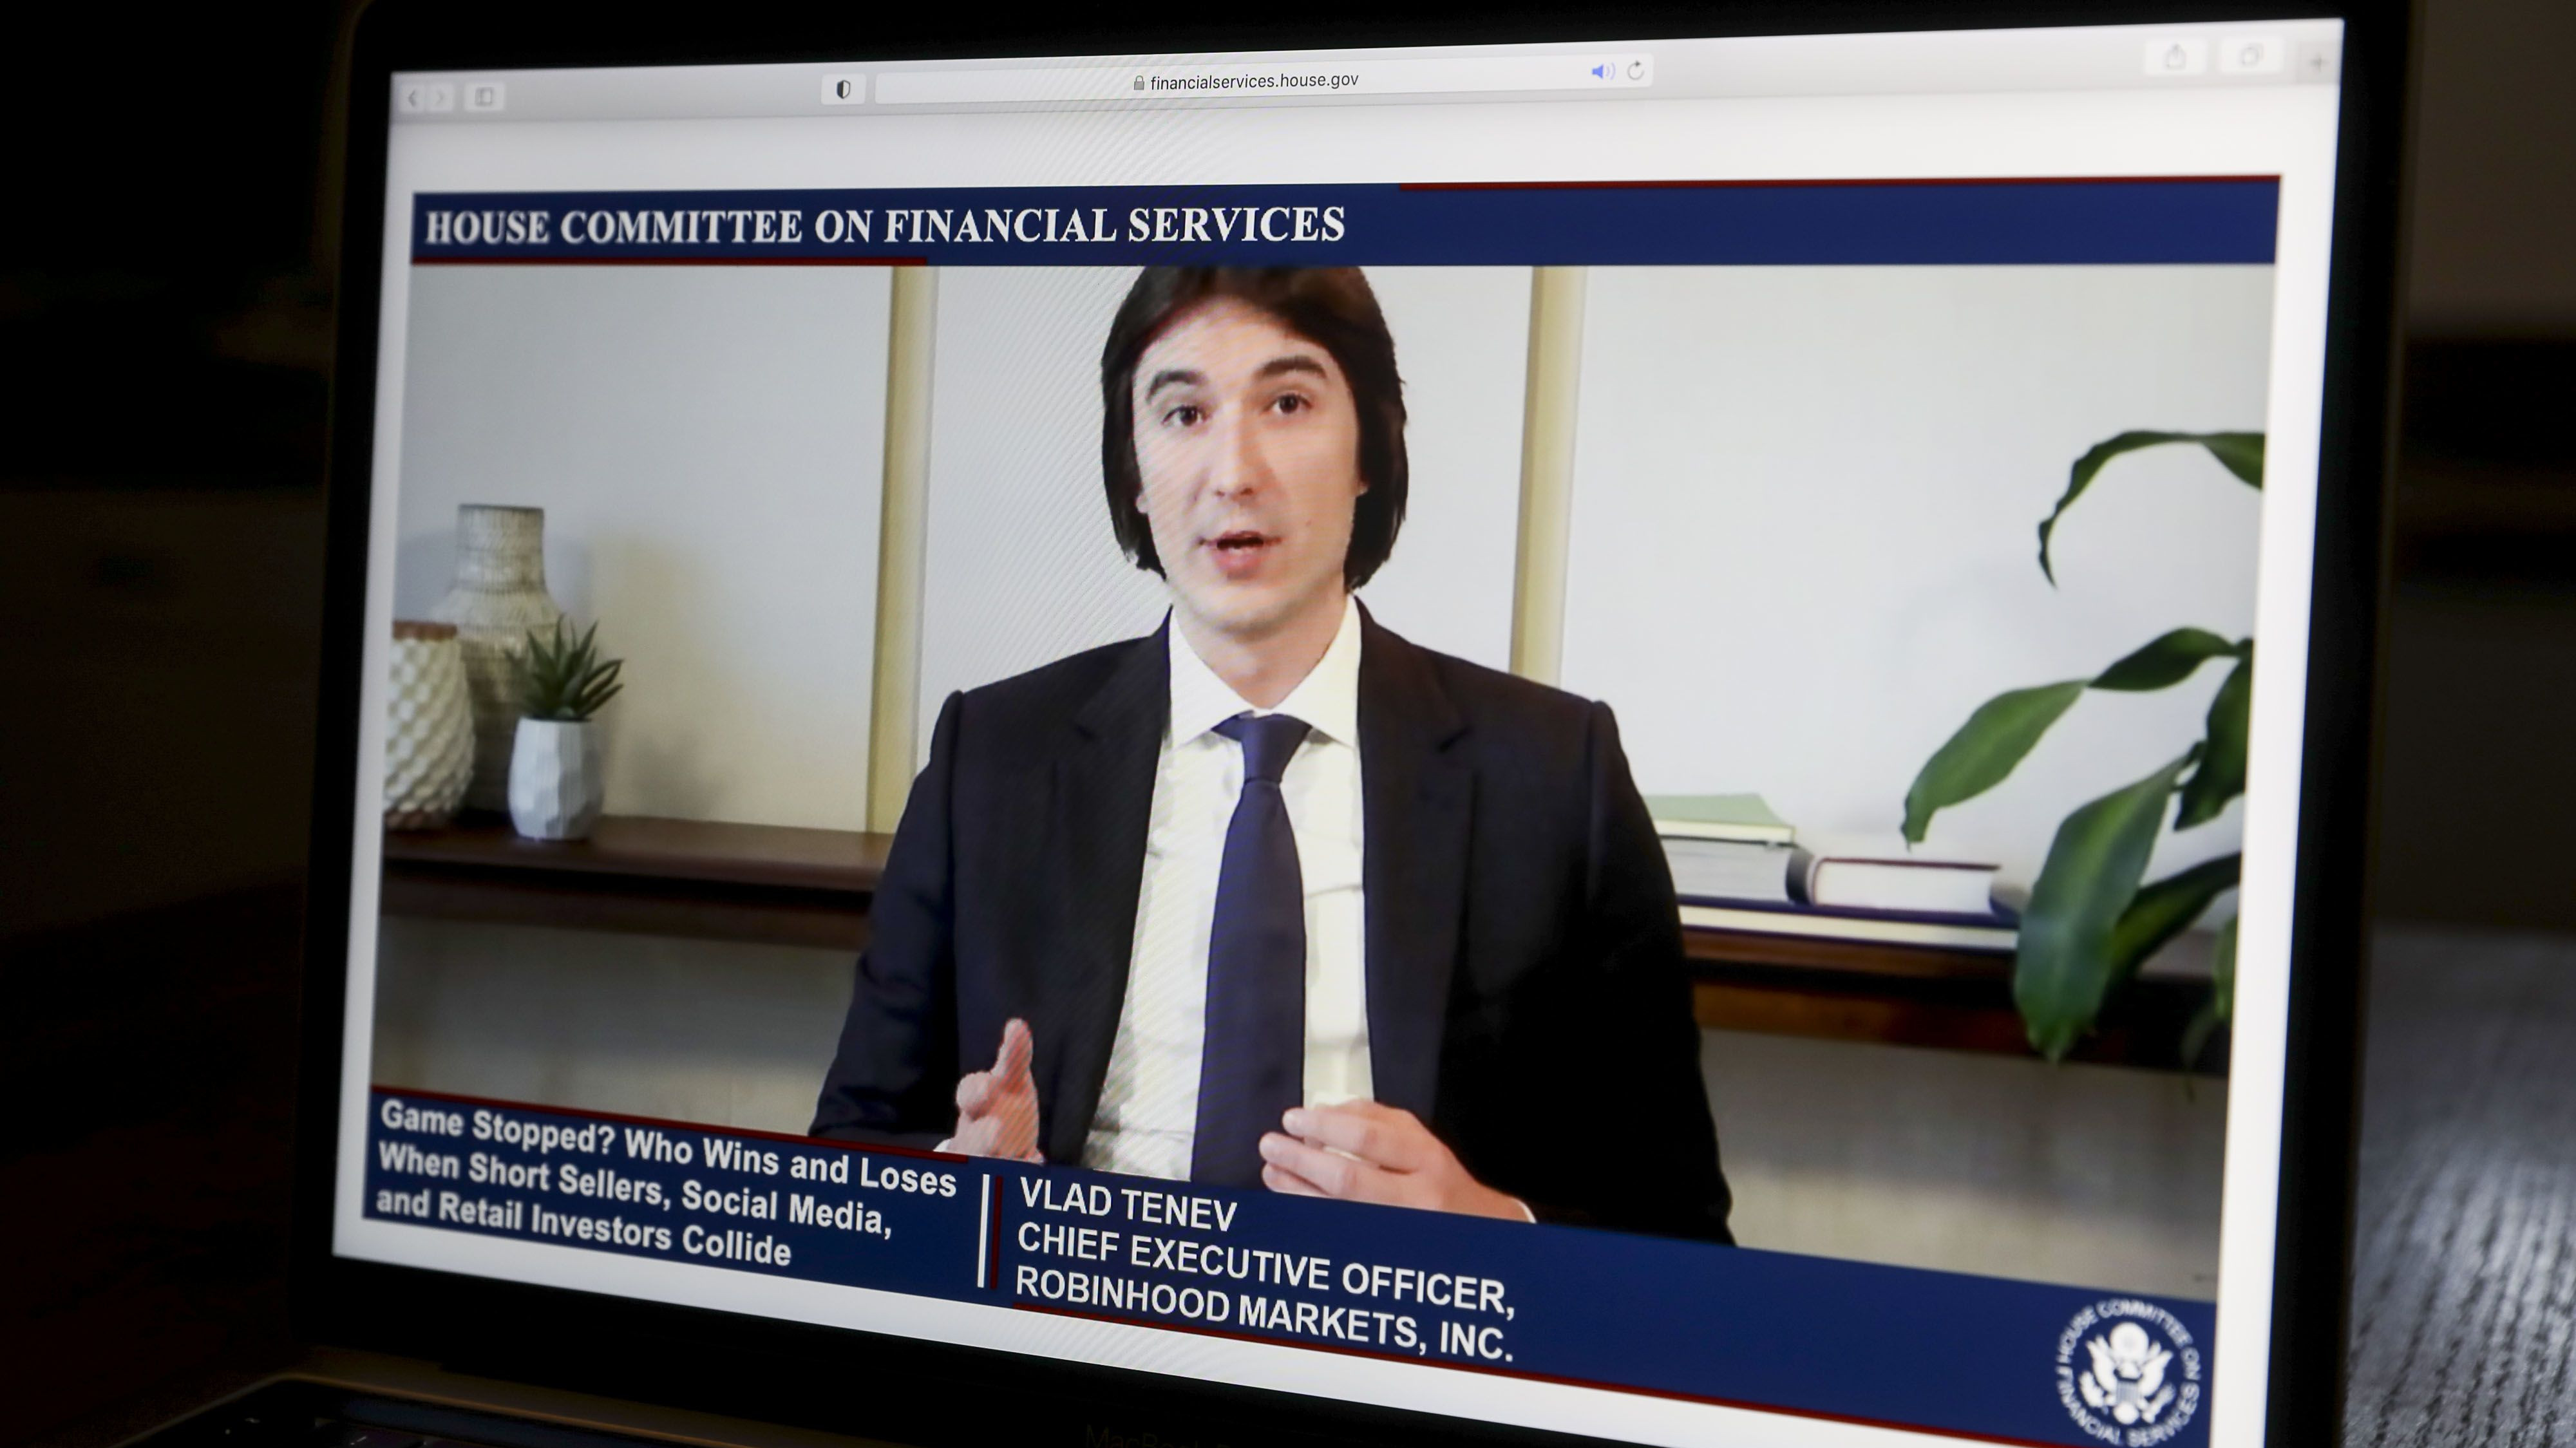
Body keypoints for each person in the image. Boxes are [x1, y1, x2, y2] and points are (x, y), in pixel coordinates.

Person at [813, 267, 1730, 1242]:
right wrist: (953, 1190)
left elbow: (1679, 1234)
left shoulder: (1553, 772)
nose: (1234, 472)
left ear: (1370, 449)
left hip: (1396, 1329)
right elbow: (851, 1145)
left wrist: (1496, 1226)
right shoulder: (992, 757)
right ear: (1134, 469)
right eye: (1183, 414)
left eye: (1287, 403)